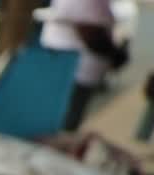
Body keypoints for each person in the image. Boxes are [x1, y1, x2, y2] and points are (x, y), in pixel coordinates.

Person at [40, 0, 129, 130]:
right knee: (63, 123)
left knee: (64, 118)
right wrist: (117, 56)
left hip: (73, 68)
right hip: (75, 70)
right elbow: (90, 32)